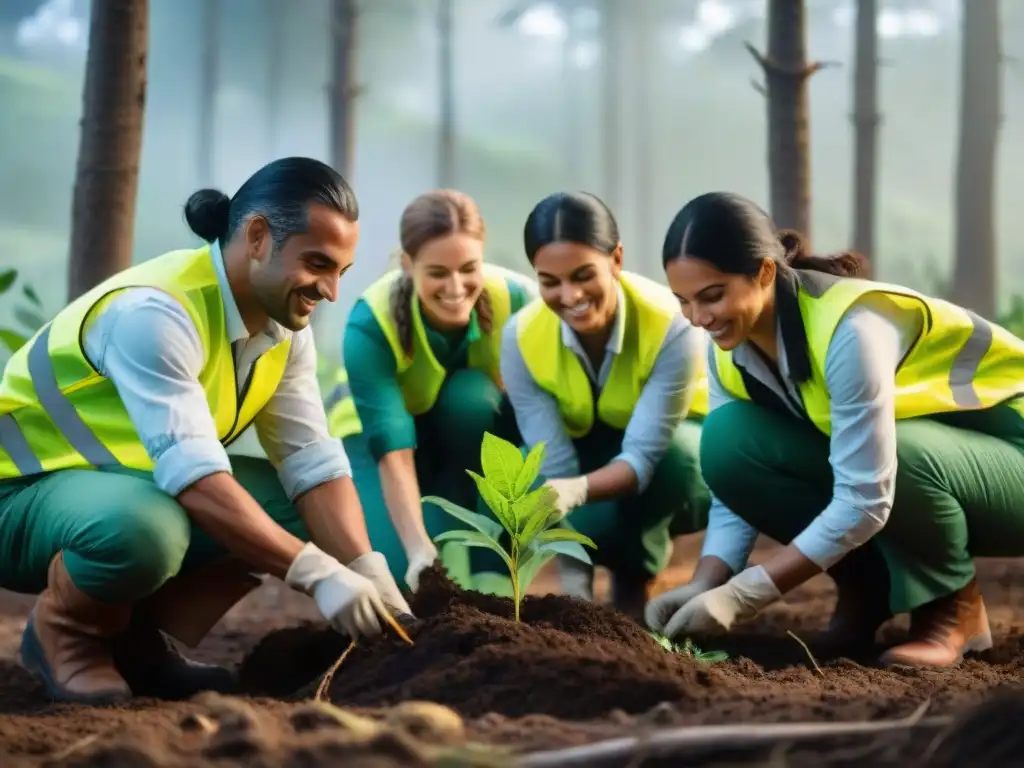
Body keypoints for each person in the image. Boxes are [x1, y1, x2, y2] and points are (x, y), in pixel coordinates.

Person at [0, 157, 412, 705]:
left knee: (290, 507)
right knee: (147, 530)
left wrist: (364, 566)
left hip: (122, 488)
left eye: (342, 269)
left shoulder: (282, 326)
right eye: (318, 264)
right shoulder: (156, 313)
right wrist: (315, 573)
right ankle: (69, 634)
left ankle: (134, 641)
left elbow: (311, 460)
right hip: (23, 496)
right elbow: (194, 476)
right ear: (258, 236)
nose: (332, 290)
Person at [647, 190, 1024, 668]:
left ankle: (952, 610)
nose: (698, 319)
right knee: (728, 440)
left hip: (1010, 458)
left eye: (713, 295)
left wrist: (747, 594)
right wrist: (708, 580)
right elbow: (732, 488)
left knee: (898, 451)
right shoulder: (729, 347)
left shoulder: (852, 329)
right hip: (942, 465)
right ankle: (870, 592)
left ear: (764, 273)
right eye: (683, 301)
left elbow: (866, 497)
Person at [500, 191, 712, 618]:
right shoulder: (520, 336)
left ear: (616, 259)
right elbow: (552, 462)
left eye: (583, 275)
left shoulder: (672, 324)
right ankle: (589, 575)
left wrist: (577, 490)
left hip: (668, 463)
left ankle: (636, 578)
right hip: (584, 452)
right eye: (550, 281)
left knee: (680, 458)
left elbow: (644, 457)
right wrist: (573, 571)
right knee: (524, 464)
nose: (570, 294)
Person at [327, 189, 538, 594]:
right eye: (438, 272)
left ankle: (494, 565)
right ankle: (433, 540)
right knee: (402, 572)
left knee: (473, 398)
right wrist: (420, 548)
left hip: (459, 433)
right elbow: (394, 451)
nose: (456, 286)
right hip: (376, 442)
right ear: (408, 264)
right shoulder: (372, 323)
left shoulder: (518, 300)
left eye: (468, 268)